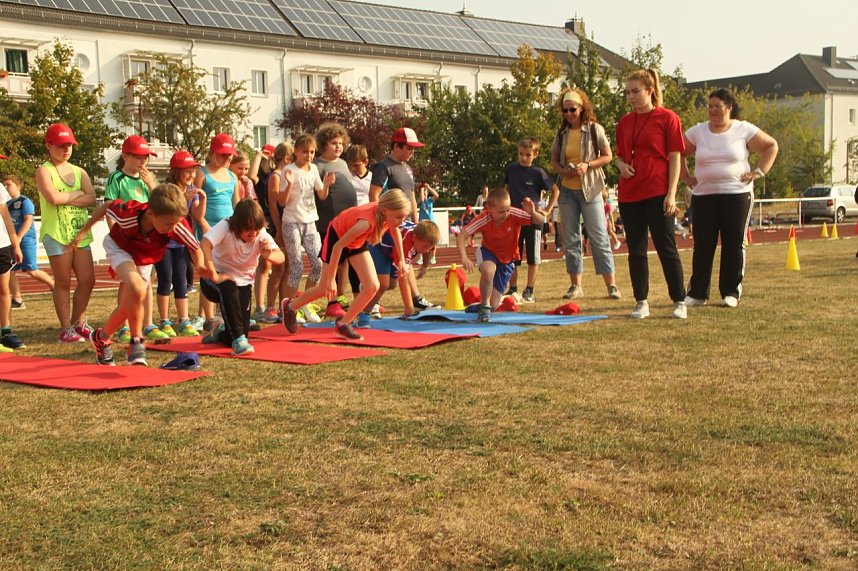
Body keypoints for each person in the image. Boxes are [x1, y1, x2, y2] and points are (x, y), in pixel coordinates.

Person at [72, 183, 205, 366]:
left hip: (143, 255)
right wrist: (83, 232)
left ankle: (101, 337)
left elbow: (195, 248)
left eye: (176, 223)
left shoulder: (176, 224)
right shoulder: (129, 213)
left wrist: (202, 267)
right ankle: (136, 342)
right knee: (137, 288)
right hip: (119, 247)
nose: (173, 228)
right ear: (151, 213)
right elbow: (105, 207)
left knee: (135, 297)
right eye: (169, 224)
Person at [681, 87, 779, 308]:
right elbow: (677, 151)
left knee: (733, 243)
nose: (712, 110)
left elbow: (770, 146)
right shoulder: (698, 131)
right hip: (704, 195)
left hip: (737, 194)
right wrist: (684, 175)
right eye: (709, 106)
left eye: (717, 106)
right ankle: (697, 293)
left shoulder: (743, 129)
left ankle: (730, 292)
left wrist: (758, 172)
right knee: (703, 244)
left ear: (729, 108)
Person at [280, 189, 412, 341]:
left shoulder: (387, 215)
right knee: (325, 289)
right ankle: (290, 307)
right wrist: (330, 279)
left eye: (403, 217)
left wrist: (401, 259)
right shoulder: (366, 223)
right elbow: (337, 247)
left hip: (355, 242)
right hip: (337, 239)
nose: (402, 221)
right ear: (384, 211)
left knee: (372, 286)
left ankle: (343, 324)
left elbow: (395, 230)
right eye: (399, 217)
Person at [615, 69, 687, 319]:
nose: (631, 97)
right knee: (635, 249)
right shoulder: (624, 122)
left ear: (650, 91)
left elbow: (675, 157)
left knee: (666, 245)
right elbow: (619, 155)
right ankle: (641, 301)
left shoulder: (668, 118)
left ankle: (679, 300)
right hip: (629, 194)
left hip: (658, 190)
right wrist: (621, 165)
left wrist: (671, 193)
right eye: (627, 92)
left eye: (635, 91)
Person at [550, 88, 622, 302]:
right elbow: (554, 160)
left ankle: (611, 285)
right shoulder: (561, 134)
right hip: (567, 190)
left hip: (591, 189)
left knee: (599, 235)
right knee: (570, 238)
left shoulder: (594, 129)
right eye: (565, 110)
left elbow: (608, 156)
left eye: (573, 109)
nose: (569, 114)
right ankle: (576, 285)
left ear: (582, 108)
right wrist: (562, 169)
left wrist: (587, 165)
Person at [35, 123, 97, 342]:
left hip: (79, 232)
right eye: (61, 145)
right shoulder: (44, 170)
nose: (66, 149)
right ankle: (65, 329)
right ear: (49, 146)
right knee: (63, 282)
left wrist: (72, 196)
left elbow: (92, 198)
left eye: (69, 145)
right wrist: (78, 194)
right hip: (56, 233)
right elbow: (53, 198)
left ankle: (78, 322)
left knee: (88, 280)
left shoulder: (80, 171)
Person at [200, 199, 284, 355]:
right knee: (228, 286)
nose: (253, 234)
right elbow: (205, 243)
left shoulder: (261, 235)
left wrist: (268, 254)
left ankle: (221, 333)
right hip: (214, 280)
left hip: (243, 282)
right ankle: (239, 342)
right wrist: (212, 272)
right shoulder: (225, 226)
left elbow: (281, 257)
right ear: (237, 226)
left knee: (242, 331)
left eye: (256, 229)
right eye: (248, 230)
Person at [105, 135, 167, 343]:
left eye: (146, 157)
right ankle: (123, 326)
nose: (143, 162)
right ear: (125, 155)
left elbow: (160, 204)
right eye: (138, 157)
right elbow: (109, 209)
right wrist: (118, 239)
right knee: (128, 283)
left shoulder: (146, 179)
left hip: (146, 239)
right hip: (126, 238)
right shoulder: (117, 178)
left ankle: (148, 323)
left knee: (147, 282)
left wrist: (152, 184)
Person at [457, 187, 544, 322]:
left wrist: (532, 212)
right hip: (488, 252)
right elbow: (462, 235)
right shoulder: (483, 218)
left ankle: (483, 306)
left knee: (494, 305)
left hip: (507, 260)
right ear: (489, 209)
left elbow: (541, 221)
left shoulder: (514, 214)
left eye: (508, 209)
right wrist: (464, 257)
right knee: (489, 270)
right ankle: (484, 306)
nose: (506, 214)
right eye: (501, 212)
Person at [277, 134, 335, 323]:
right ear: (296, 152)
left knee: (318, 265)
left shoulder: (314, 169)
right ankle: (288, 307)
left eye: (311, 152)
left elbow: (322, 195)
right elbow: (281, 201)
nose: (309, 156)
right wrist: (288, 185)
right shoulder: (289, 170)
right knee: (296, 266)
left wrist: (326, 185)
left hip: (310, 221)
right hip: (292, 222)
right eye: (305, 152)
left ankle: (304, 303)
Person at [156, 150, 207, 337]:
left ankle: (184, 319)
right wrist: (183, 199)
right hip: (164, 242)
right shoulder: (168, 189)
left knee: (182, 280)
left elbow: (197, 215)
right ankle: (164, 320)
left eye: (193, 171)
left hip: (181, 243)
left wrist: (202, 199)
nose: (191, 175)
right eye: (187, 171)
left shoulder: (191, 188)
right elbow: (170, 211)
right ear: (176, 171)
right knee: (165, 279)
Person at [503, 136, 559, 303]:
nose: (524, 158)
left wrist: (547, 210)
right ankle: (512, 288)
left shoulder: (538, 173)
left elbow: (555, 190)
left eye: (528, 154)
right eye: (521, 154)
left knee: (533, 257)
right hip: (513, 219)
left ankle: (529, 290)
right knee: (513, 256)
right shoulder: (511, 170)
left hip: (533, 220)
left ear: (535, 154)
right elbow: (506, 189)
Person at [194, 133, 241, 331]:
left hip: (227, 230)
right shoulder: (202, 174)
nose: (227, 159)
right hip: (207, 229)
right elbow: (194, 204)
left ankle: (225, 311)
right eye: (222, 155)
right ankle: (209, 316)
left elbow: (236, 204)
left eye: (229, 155)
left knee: (227, 270)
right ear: (212, 153)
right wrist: (204, 224)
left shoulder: (232, 176)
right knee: (208, 271)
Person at [361, 219, 440, 327]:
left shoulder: (426, 237)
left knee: (392, 285)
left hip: (393, 249)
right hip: (378, 247)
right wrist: (409, 308)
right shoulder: (406, 244)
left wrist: (424, 266)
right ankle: (365, 312)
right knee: (383, 284)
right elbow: (403, 279)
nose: (427, 250)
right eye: (425, 247)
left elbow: (429, 249)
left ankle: (369, 288)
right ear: (414, 238)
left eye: (430, 247)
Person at [314, 122, 358, 312]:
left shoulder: (343, 163)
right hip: (329, 222)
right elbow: (318, 194)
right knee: (333, 261)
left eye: (340, 143)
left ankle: (341, 296)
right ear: (324, 144)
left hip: (348, 219)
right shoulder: (317, 166)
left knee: (346, 260)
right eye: (334, 143)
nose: (338, 146)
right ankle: (331, 301)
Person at [4, 174, 55, 309]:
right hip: (12, 241)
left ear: (18, 185)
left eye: (8, 184)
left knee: (31, 270)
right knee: (10, 271)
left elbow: (28, 220)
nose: (6, 187)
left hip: (26, 240)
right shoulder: (6, 205)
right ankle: (17, 299)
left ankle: (54, 286)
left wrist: (19, 237)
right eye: (4, 185)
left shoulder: (25, 201)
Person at [257, 142, 292, 325]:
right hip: (276, 226)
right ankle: (270, 306)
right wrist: (278, 229)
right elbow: (273, 205)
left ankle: (282, 307)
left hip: (287, 224)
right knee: (277, 268)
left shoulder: (286, 176)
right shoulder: (276, 177)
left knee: (286, 268)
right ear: (286, 159)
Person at [369, 127, 423, 223]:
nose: (412, 152)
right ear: (396, 146)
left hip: (407, 223)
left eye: (414, 149)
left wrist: (416, 223)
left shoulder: (409, 169)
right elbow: (374, 195)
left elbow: (412, 197)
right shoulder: (384, 167)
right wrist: (381, 222)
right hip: (390, 225)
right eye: (409, 148)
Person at [0, 154, 25, 351]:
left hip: (2, 245)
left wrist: (15, 244)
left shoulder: (0, 188)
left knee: (4, 289)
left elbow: (7, 218)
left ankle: (6, 332)